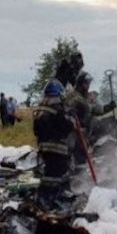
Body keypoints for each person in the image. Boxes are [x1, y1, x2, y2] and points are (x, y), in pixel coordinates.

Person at [33, 79, 74, 208]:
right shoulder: (58, 109)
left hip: (44, 149)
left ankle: (45, 197)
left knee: (49, 174)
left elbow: (36, 130)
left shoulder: (40, 109)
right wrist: (71, 118)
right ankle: (53, 199)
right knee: (58, 176)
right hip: (58, 149)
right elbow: (66, 127)